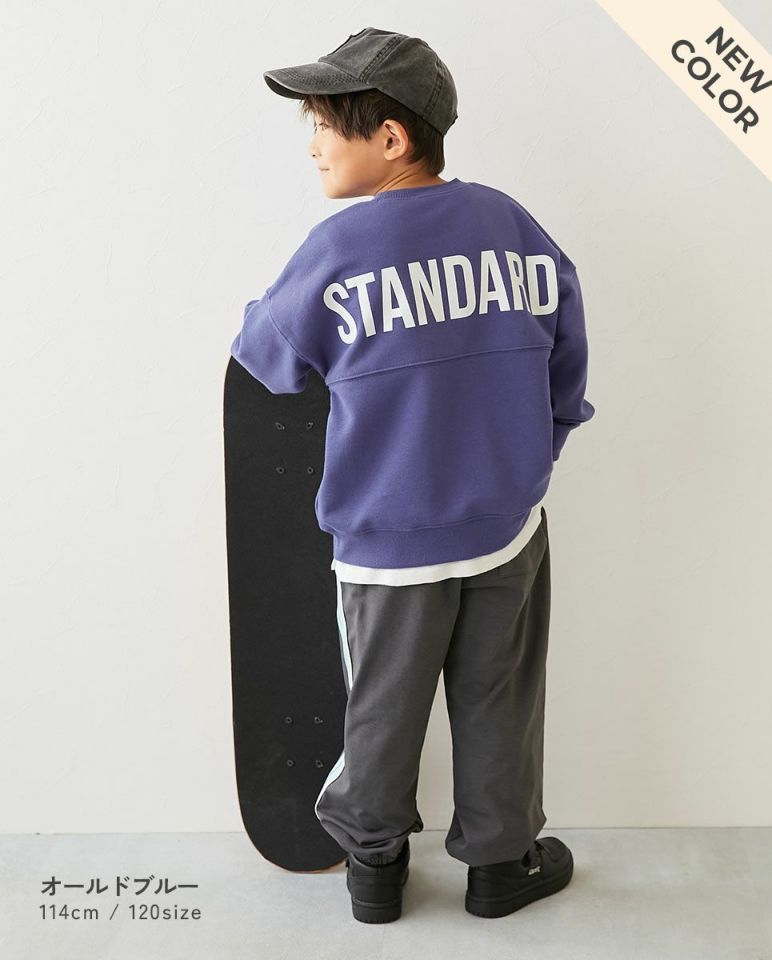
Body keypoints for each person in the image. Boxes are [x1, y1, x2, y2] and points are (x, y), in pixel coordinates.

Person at [230, 26, 595, 923]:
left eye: (325, 124)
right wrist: (533, 459)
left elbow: (267, 357)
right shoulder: (512, 225)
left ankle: (375, 870)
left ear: (391, 137)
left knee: (382, 708)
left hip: (388, 545)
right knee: (500, 698)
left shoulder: (341, 248)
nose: (313, 145)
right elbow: (566, 357)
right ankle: (500, 867)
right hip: (505, 528)